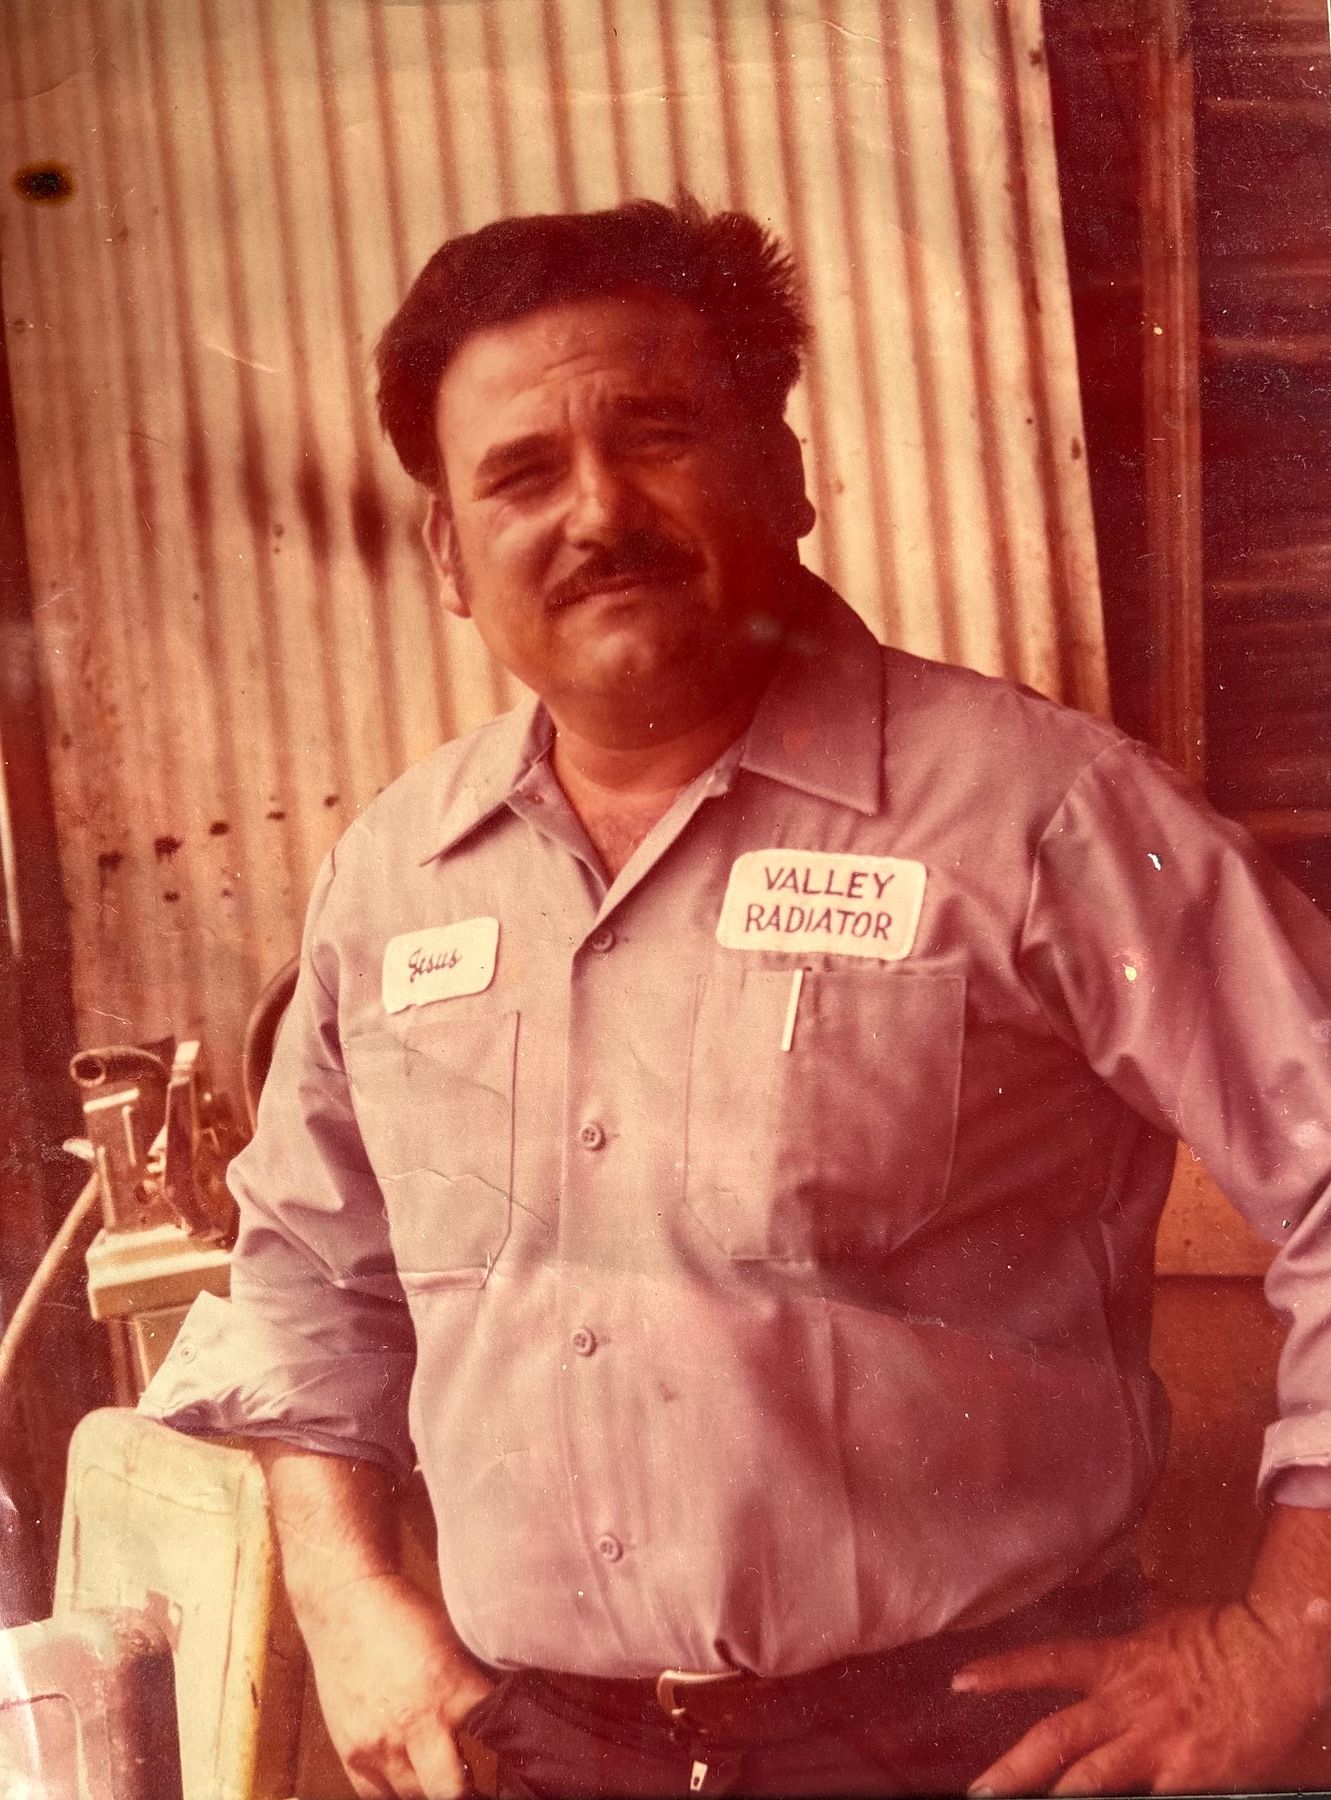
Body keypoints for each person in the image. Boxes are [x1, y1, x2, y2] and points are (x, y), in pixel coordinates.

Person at [140, 196, 1331, 1799]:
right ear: (446, 554)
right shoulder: (395, 876)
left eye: (658, 436)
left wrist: (1286, 1642)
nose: (598, 514)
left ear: (785, 470)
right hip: (537, 1754)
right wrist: (349, 1601)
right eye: (519, 475)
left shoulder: (1041, 815)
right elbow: (305, 1271)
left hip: (969, 1748)